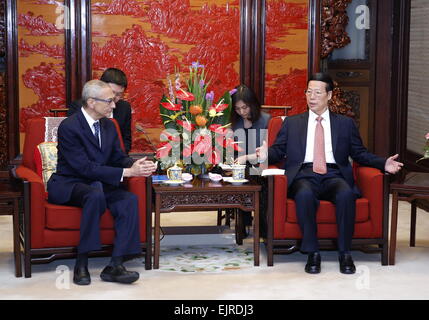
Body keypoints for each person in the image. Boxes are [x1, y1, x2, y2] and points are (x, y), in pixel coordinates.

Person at [255, 73, 403, 274]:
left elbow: (359, 153)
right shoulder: (292, 123)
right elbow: (278, 151)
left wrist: (383, 163)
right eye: (309, 92)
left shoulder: (345, 124)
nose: (312, 97)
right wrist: (265, 154)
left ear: (329, 95)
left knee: (345, 194)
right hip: (303, 174)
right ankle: (312, 252)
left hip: (334, 175)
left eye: (317, 92)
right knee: (304, 195)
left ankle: (345, 253)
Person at [47, 80, 157, 285]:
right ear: (91, 102)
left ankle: (115, 265)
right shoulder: (69, 126)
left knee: (128, 200)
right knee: (94, 193)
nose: (114, 105)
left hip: (100, 183)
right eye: (109, 101)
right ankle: (82, 261)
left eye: (114, 100)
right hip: (70, 183)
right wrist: (126, 171)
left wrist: (136, 165)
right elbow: (84, 168)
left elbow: (118, 156)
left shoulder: (108, 125)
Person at [231, 85, 271, 237]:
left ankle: (262, 227)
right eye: (237, 109)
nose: (242, 112)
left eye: (245, 107)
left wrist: (246, 158)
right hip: (238, 166)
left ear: (252, 104)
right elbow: (231, 148)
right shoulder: (234, 122)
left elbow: (266, 151)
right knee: (239, 177)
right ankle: (242, 224)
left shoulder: (266, 120)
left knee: (257, 178)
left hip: (260, 164)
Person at [68, 68, 132, 153]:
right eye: (112, 92)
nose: (114, 98)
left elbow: (126, 140)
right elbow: (76, 141)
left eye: (119, 94)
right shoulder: (80, 107)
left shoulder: (124, 107)